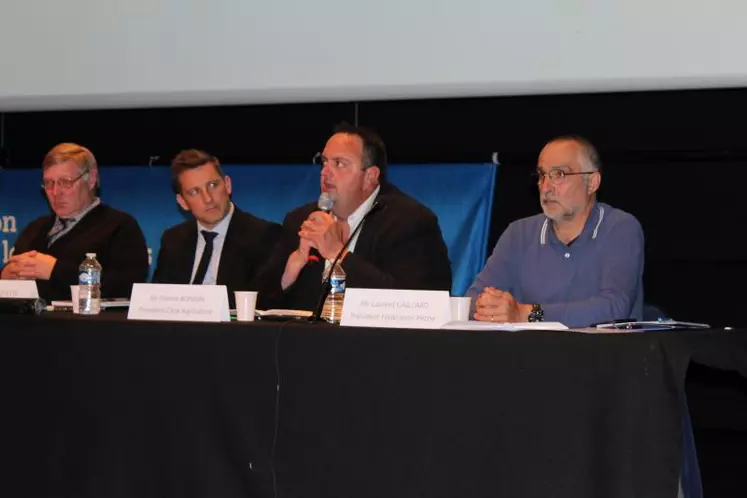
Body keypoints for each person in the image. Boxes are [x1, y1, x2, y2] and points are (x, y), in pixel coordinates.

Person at [256, 122, 451, 310]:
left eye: (339, 164)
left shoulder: (409, 222)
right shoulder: (300, 220)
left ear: (370, 177)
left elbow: (416, 304)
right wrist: (294, 265)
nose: (325, 172)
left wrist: (337, 254)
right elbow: (257, 304)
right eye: (324, 162)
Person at [466, 135, 644, 328]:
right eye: (542, 175)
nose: (546, 187)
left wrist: (527, 313)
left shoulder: (620, 228)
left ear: (592, 182)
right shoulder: (519, 233)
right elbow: (472, 301)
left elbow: (614, 308)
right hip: (529, 354)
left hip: (602, 355)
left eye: (559, 175)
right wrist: (490, 305)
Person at [0, 143, 148, 301]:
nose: (56, 192)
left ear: (91, 180)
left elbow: (125, 287)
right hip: (24, 325)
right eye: (49, 183)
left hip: (84, 325)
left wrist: (54, 270)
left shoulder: (120, 227)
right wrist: (6, 277)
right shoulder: (35, 228)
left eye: (66, 182)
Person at [152, 149, 282, 304]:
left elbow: (262, 302)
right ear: (182, 202)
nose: (208, 198)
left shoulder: (264, 235)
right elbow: (158, 301)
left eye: (213, 185)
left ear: (227, 185)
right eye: (194, 192)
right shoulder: (173, 240)